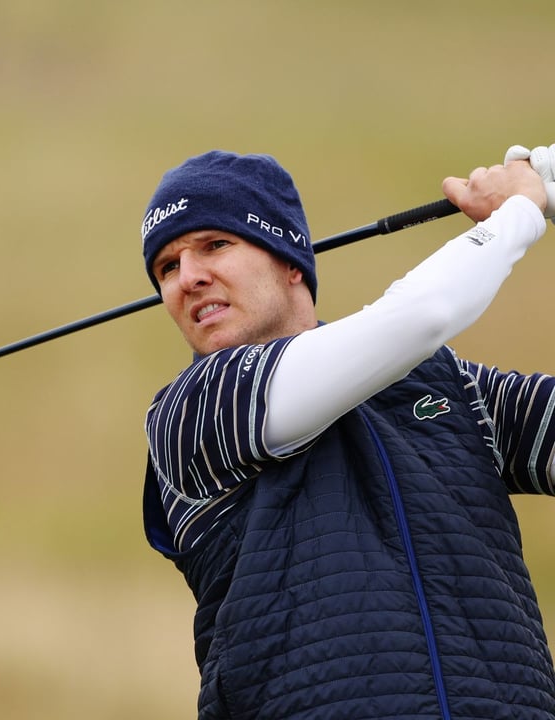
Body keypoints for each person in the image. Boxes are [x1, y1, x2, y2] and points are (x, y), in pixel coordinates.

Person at [140, 147, 555, 718]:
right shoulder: (197, 413)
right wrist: (518, 214)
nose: (188, 277)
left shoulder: (444, 384)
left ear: (290, 260)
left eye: (215, 245)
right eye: (167, 267)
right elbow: (421, 316)